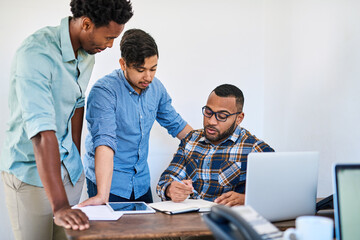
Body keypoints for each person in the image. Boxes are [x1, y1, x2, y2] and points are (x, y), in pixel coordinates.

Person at [0, 0, 133, 239]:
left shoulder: (88, 54)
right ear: (86, 24)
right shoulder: (36, 53)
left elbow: (77, 103)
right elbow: (41, 132)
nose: (111, 45)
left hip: (69, 172)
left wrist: (75, 158)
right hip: (30, 175)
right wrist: (60, 205)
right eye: (108, 37)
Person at [79, 29, 193, 207]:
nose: (148, 76)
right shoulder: (104, 91)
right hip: (110, 183)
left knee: (146, 233)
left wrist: (209, 146)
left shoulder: (156, 88)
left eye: (153, 69)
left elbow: (177, 125)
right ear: (123, 64)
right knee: (114, 235)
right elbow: (104, 142)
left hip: (140, 182)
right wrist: (102, 195)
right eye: (141, 70)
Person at [156, 84, 274, 206]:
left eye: (222, 116)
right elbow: (165, 180)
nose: (211, 121)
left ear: (239, 118)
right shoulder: (191, 140)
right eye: (208, 112)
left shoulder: (255, 149)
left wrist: (247, 199)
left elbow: (277, 193)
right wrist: (170, 189)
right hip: (188, 219)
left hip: (226, 221)